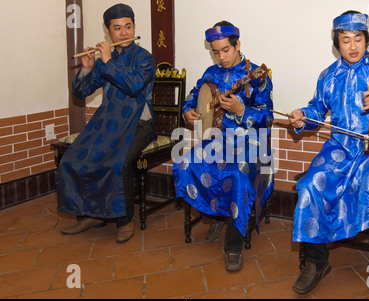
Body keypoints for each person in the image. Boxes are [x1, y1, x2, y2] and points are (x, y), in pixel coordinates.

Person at [289, 10, 369, 293]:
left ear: (366, 40)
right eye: (345, 40)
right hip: (340, 149)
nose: (353, 46)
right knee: (309, 185)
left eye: (358, 38)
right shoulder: (328, 76)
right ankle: (317, 261)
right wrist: (301, 116)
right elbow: (316, 110)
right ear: (337, 43)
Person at [173, 21, 274, 272]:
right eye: (215, 52)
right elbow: (193, 95)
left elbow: (268, 117)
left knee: (238, 173)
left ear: (237, 44)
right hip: (217, 139)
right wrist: (188, 111)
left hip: (250, 140)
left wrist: (241, 110)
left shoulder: (257, 76)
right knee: (185, 163)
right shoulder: (211, 73)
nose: (221, 57)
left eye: (226, 50)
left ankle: (233, 244)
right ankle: (215, 211)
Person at [57, 3, 156, 243]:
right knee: (74, 158)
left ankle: (125, 220)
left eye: (128, 26)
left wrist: (108, 60)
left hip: (138, 123)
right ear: (108, 32)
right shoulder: (103, 60)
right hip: (108, 120)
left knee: (117, 163)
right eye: (117, 28)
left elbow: (133, 87)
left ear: (134, 27)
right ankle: (91, 213)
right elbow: (81, 92)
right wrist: (87, 68)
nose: (123, 33)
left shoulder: (144, 58)